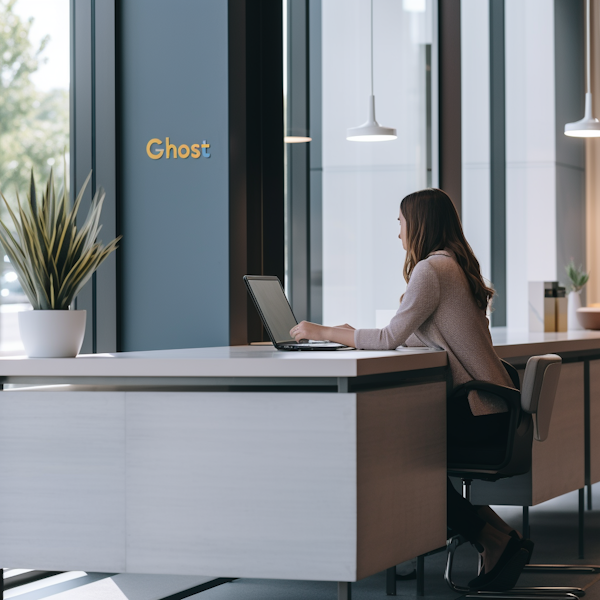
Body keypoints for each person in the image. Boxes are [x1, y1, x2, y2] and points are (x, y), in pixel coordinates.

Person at [289, 188, 532, 591]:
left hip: (481, 413)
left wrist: (322, 331)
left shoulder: (432, 270)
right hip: (494, 410)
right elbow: (430, 337)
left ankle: (490, 538)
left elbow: (389, 339)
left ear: (418, 224)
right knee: (404, 451)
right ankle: (498, 535)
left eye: (400, 222)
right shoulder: (453, 265)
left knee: (396, 456)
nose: (398, 233)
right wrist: (354, 335)